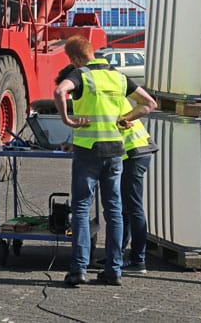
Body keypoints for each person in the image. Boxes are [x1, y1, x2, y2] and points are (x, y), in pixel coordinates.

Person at [54, 36, 156, 287]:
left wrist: (67, 120)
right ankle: (114, 270)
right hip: (115, 154)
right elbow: (149, 104)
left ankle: (79, 269)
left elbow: (59, 91)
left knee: (80, 209)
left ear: (76, 59)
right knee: (114, 212)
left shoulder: (82, 75)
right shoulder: (118, 77)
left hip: (88, 152)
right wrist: (126, 118)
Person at [119, 100, 158, 274]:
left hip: (135, 152)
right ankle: (117, 255)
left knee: (133, 207)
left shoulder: (104, 98)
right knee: (124, 207)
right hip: (134, 152)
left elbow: (150, 103)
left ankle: (138, 260)